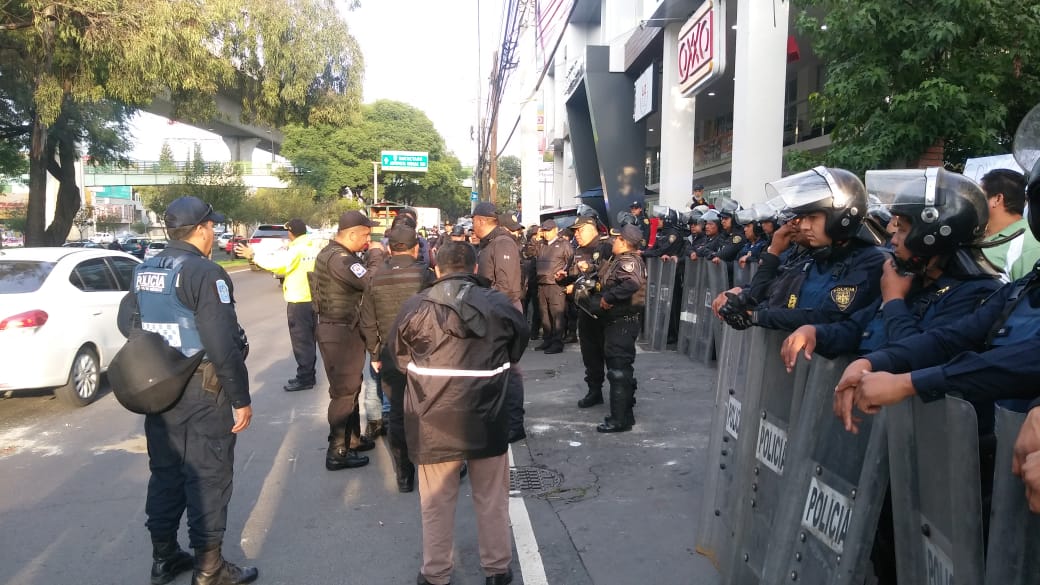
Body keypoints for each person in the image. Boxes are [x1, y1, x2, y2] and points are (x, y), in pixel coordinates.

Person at [832, 164, 1040, 513]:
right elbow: (949, 339)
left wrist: (910, 382)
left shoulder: (979, 288)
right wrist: (872, 362)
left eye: (904, 225)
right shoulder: (1022, 290)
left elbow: (1016, 361)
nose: (893, 236)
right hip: (1003, 474)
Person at [116, 196, 257, 585]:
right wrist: (241, 399)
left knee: (165, 473)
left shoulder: (145, 269)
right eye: (212, 226)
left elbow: (127, 321)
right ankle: (210, 567)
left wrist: (162, 354)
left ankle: (164, 558)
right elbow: (221, 343)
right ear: (200, 229)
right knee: (208, 475)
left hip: (160, 390)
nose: (214, 232)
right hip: (203, 392)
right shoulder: (204, 273)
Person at [388, 242, 529, 585]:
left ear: (436, 268)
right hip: (488, 416)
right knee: (492, 497)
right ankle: (496, 569)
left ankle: (436, 574)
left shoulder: (415, 305)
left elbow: (399, 357)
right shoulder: (498, 304)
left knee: (436, 501)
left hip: (433, 417)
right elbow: (517, 345)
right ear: (475, 268)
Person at [359, 225, 435, 492]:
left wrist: (374, 353)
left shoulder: (375, 277)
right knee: (429, 410)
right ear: (416, 248)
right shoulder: (426, 275)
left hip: (391, 354)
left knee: (399, 416)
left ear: (390, 248)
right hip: (426, 354)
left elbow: (367, 320)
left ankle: (404, 475)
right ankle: (435, 469)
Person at [312, 210, 385, 470]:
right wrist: (376, 255)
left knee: (351, 386)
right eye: (365, 235)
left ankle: (352, 440)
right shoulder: (341, 260)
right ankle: (337, 451)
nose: (368, 240)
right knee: (344, 393)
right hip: (340, 333)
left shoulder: (334, 254)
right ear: (351, 233)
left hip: (341, 330)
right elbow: (372, 281)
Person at [235, 218, 322, 392]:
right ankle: (309, 375)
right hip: (313, 299)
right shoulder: (314, 246)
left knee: (301, 342)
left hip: (298, 300)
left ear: (291, 233)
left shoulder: (296, 249)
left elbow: (278, 265)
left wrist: (253, 255)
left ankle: (305, 378)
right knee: (310, 340)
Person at [472, 202, 528, 443]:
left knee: (509, 368)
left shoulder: (502, 242)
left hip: (502, 311)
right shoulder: (489, 244)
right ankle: (504, 417)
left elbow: (505, 288)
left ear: (481, 220)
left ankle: (515, 424)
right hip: (492, 309)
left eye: (473, 219)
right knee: (498, 368)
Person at [592, 224, 647, 433]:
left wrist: (609, 297)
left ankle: (619, 419)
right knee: (621, 368)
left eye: (616, 239)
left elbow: (631, 284)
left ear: (623, 241)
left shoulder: (628, 262)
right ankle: (625, 414)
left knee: (618, 370)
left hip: (622, 322)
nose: (612, 242)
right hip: (619, 321)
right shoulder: (622, 260)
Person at [555, 215, 614, 408]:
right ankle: (594, 391)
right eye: (574, 231)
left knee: (611, 355)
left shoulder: (606, 247)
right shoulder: (577, 250)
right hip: (584, 310)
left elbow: (606, 278)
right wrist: (563, 278)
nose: (576, 235)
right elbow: (573, 275)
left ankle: (619, 396)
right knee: (590, 355)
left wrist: (580, 285)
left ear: (591, 228)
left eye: (579, 230)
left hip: (604, 311)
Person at [980, 168, 1040, 281]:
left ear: (997, 199)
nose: (974, 201)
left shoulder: (1028, 244)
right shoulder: (978, 235)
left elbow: (1029, 296)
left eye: (979, 195)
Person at [535, 219, 573, 354]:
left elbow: (570, 263)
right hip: (542, 283)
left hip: (556, 285)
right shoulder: (541, 245)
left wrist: (567, 279)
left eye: (548, 230)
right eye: (544, 230)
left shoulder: (564, 244)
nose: (546, 233)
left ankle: (557, 342)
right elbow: (528, 253)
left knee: (557, 314)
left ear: (556, 230)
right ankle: (548, 339)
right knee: (544, 314)